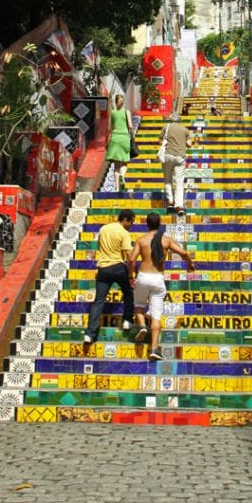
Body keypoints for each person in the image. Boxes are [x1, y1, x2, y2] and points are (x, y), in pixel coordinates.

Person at [128, 212, 195, 361]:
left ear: (147, 224)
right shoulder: (166, 240)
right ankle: (154, 349)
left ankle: (143, 325)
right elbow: (183, 252)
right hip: (158, 278)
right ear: (159, 225)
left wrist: (130, 277)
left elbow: (132, 260)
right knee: (157, 316)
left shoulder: (141, 240)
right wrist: (190, 264)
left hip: (143, 276)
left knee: (139, 306)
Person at [83, 209, 135, 352]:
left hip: (103, 268)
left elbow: (99, 246)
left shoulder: (103, 228)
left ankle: (89, 334)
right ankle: (127, 321)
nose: (131, 225)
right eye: (131, 222)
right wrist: (131, 275)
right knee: (129, 292)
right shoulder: (124, 233)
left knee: (98, 301)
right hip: (118, 267)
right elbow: (130, 256)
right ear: (126, 219)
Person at [159, 112, 193, 218]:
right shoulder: (185, 130)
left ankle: (170, 200)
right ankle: (178, 205)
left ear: (171, 120)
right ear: (179, 120)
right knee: (179, 182)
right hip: (180, 157)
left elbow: (160, 141)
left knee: (167, 179)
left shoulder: (166, 127)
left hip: (168, 156)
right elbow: (189, 144)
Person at [106, 93, 133, 191]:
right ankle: (123, 175)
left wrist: (106, 141)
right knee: (125, 162)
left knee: (116, 165)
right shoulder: (127, 112)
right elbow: (130, 126)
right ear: (123, 101)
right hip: (124, 138)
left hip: (115, 138)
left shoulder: (112, 113)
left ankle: (117, 188)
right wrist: (132, 134)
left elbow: (109, 128)